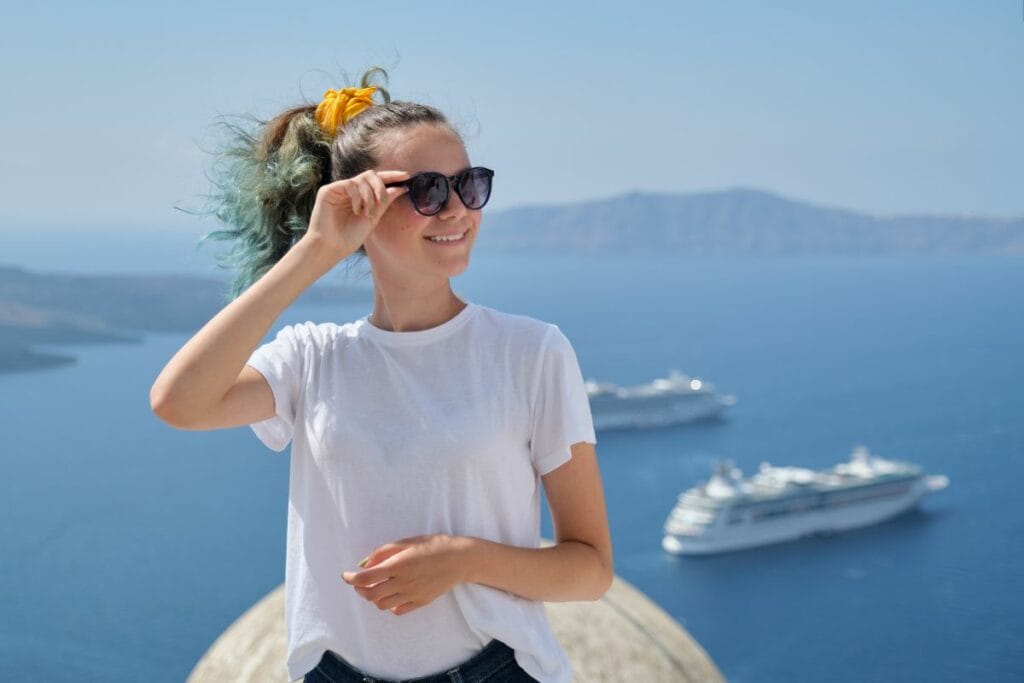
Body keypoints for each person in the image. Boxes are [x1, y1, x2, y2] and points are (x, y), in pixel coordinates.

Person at [150, 67, 613, 683]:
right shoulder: (312, 358)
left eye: (469, 184)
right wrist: (315, 252)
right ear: (359, 206)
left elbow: (589, 568)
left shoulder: (531, 353)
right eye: (425, 190)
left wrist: (462, 559)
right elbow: (178, 402)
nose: (456, 209)